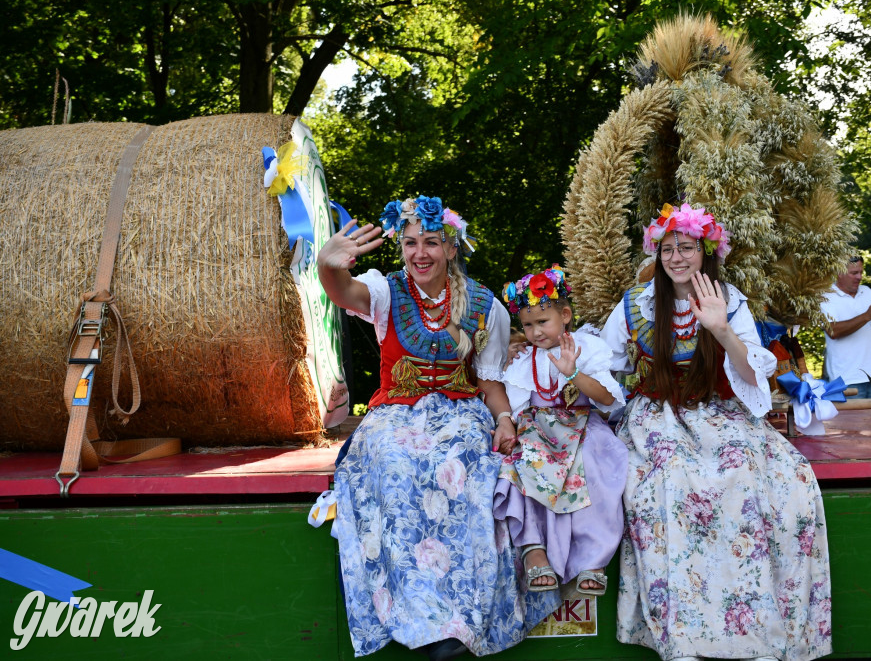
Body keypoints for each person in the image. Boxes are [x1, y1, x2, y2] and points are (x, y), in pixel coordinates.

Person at [308, 196, 560, 660]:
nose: (419, 253)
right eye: (409, 243)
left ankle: (459, 619)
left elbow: (489, 380)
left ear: (450, 248)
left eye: (430, 243)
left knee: (463, 463)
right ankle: (417, 616)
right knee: (395, 466)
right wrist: (329, 266)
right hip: (395, 413)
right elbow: (343, 293)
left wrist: (504, 419)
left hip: (459, 411)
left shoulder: (486, 305)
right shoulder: (385, 291)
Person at [600, 202, 832, 661]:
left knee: (760, 474)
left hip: (719, 411)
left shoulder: (730, 301)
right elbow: (606, 370)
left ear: (705, 252)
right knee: (669, 478)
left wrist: (722, 329)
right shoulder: (635, 304)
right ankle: (685, 636)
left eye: (685, 248)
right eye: (667, 249)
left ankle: (753, 631)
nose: (676, 258)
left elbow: (753, 376)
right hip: (658, 415)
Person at [492, 265, 627, 597]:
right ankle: (534, 547)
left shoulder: (586, 347)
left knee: (595, 459)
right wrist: (509, 424)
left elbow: (607, 398)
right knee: (523, 457)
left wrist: (574, 373)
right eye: (527, 324)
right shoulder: (525, 359)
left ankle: (592, 558)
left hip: (583, 423)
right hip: (539, 426)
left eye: (542, 322)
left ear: (565, 315)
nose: (535, 332)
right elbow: (517, 406)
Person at [820, 256, 871, 399]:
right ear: (839, 272)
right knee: (850, 422)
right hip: (846, 379)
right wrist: (867, 315)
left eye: (861, 272)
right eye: (854, 273)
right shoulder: (826, 296)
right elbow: (833, 331)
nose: (859, 277)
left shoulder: (867, 291)